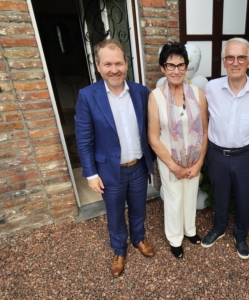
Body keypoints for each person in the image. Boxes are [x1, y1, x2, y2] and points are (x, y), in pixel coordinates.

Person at [75, 39, 155, 277]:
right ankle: (119, 250)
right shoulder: (88, 96)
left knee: (140, 208)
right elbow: (84, 138)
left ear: (126, 64)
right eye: (108, 64)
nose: (114, 69)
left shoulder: (141, 92)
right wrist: (90, 173)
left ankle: (138, 238)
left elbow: (149, 129)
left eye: (118, 63)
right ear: (98, 66)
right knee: (115, 214)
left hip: (139, 166)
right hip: (110, 171)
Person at [201, 38, 249, 259]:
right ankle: (219, 228)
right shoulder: (211, 88)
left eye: (241, 57)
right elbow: (202, 120)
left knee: (244, 197)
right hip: (217, 154)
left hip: (247, 155)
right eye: (230, 57)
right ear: (224, 61)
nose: (235, 62)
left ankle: (240, 235)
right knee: (220, 195)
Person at [148, 42, 208, 259]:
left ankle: (189, 230)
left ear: (186, 67)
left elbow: (204, 130)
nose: (176, 70)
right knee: (173, 200)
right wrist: (174, 166)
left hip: (194, 161)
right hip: (169, 162)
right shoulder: (156, 97)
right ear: (163, 68)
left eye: (180, 65)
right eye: (170, 66)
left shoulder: (198, 94)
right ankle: (175, 238)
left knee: (191, 196)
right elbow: (153, 138)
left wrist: (199, 162)